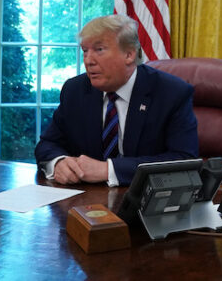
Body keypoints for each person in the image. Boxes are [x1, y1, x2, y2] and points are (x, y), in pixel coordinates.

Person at [34, 14, 198, 186]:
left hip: (143, 202)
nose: (88, 61)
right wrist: (58, 162)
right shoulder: (75, 90)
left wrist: (108, 170)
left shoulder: (171, 93)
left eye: (99, 50)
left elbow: (184, 160)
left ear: (129, 55)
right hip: (85, 203)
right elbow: (47, 144)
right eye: (85, 51)